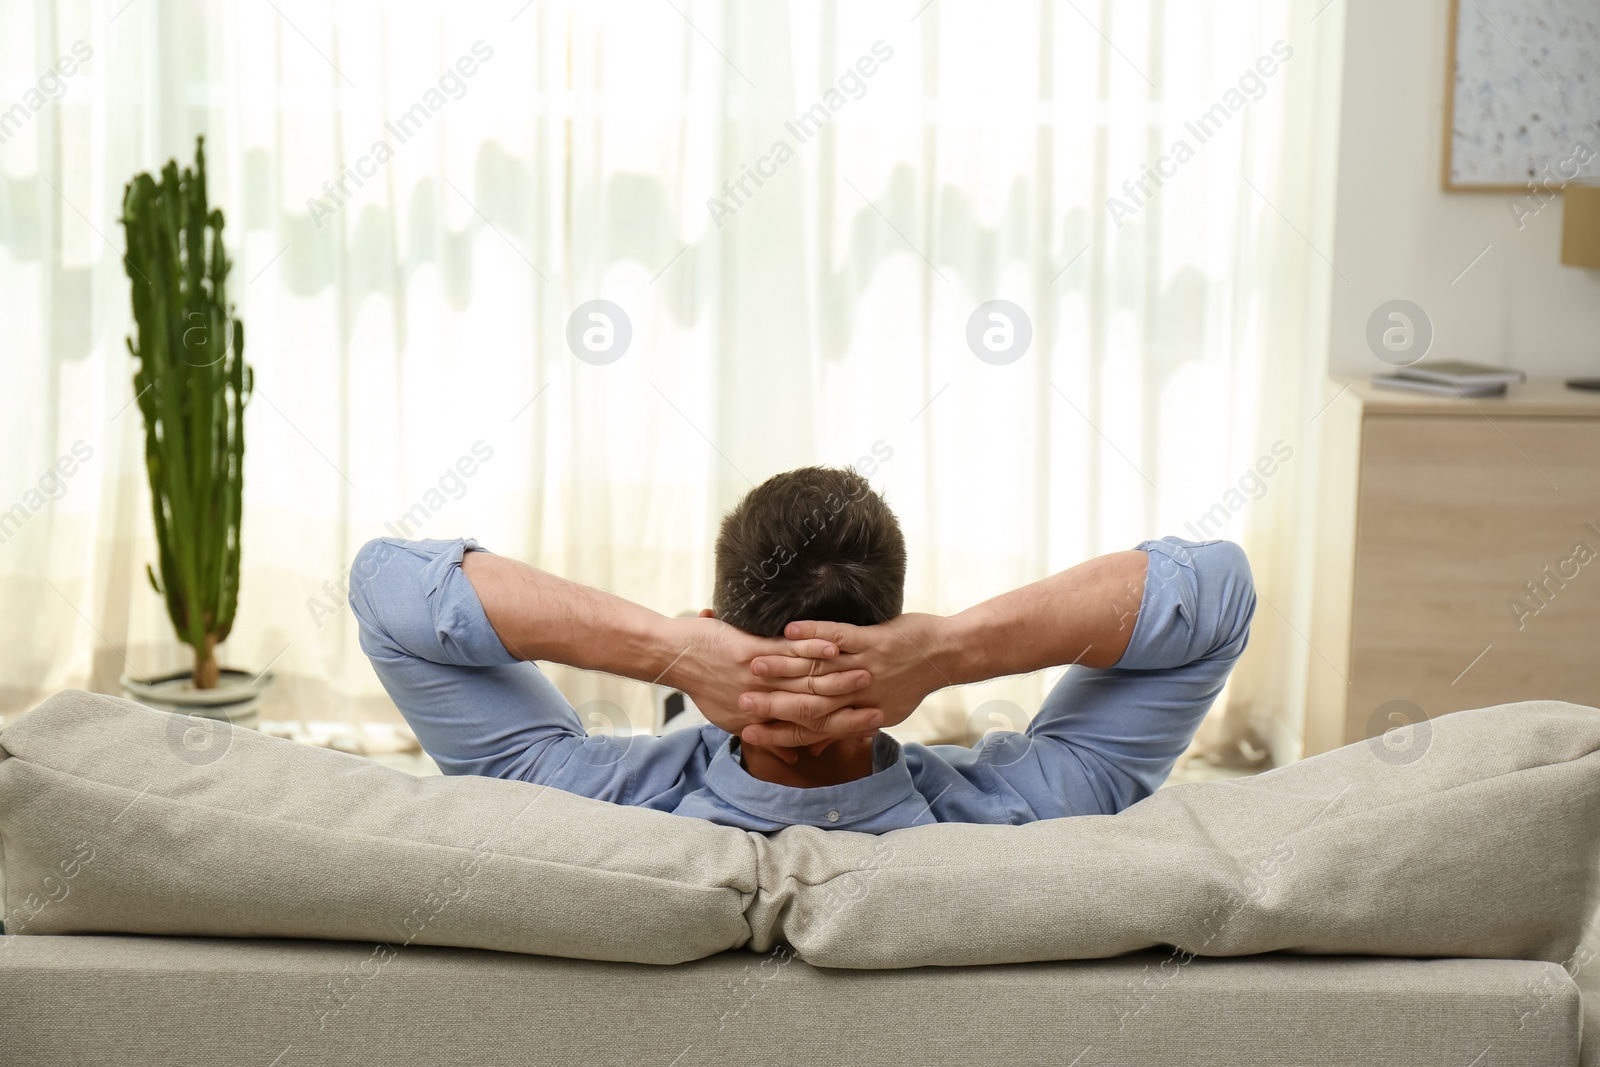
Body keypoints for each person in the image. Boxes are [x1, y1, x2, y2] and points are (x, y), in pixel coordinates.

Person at [348, 466, 1255, 833]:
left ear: (714, 617)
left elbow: (391, 591)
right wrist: (948, 651)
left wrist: (670, 650)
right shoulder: (1043, 810)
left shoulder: (579, 811)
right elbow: (1214, 590)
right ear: (894, 628)